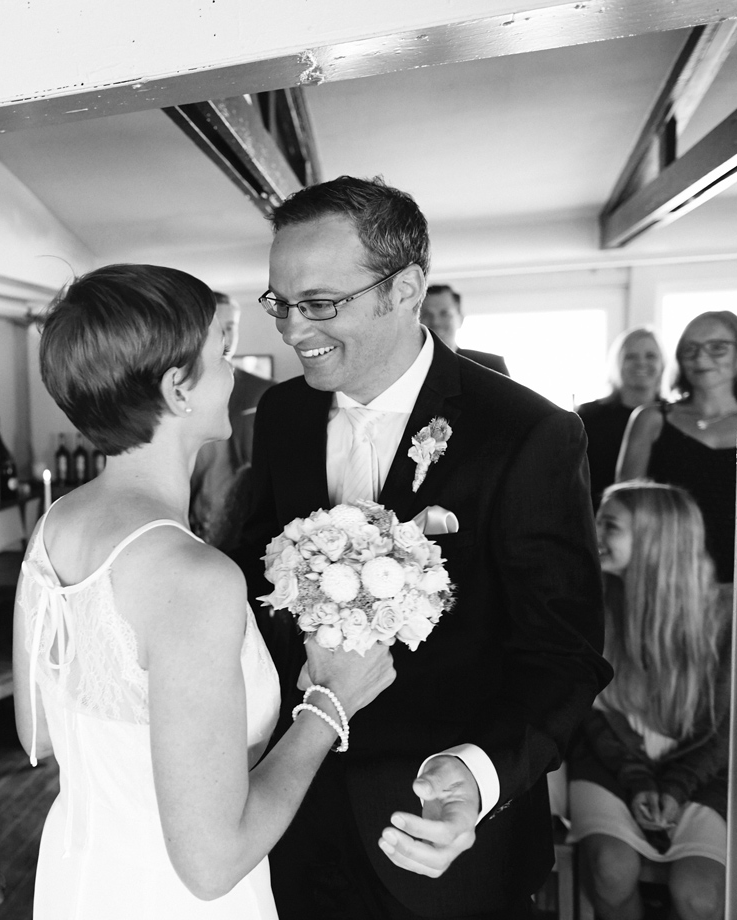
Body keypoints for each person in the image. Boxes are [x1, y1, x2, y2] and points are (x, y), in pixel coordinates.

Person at [237, 176, 611, 919]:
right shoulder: (279, 414)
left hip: (445, 842)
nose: (289, 328)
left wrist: (477, 776)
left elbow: (564, 656)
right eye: (280, 301)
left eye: (318, 303)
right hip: (294, 814)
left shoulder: (528, 432)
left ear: (405, 289)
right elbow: (257, 585)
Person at [14, 264, 396, 919]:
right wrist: (330, 706)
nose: (235, 371)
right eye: (221, 352)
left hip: (80, 880)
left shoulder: (56, 525)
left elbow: (38, 734)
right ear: (177, 388)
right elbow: (211, 865)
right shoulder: (194, 578)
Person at [569, 481, 729, 920]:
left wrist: (674, 789)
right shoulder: (591, 604)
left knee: (699, 895)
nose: (594, 532)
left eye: (611, 526)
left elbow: (722, 732)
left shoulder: (724, 616)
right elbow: (593, 715)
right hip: (611, 762)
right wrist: (640, 782)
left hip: (700, 772)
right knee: (610, 869)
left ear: (655, 538)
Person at [616, 311, 737, 583]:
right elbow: (625, 508)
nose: (701, 357)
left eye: (717, 347)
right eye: (690, 349)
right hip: (666, 577)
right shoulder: (651, 418)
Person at [189, 290, 278, 553]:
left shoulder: (265, 393)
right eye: (218, 327)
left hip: (250, 530)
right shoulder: (180, 392)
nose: (226, 337)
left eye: (231, 327)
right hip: (189, 526)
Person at [576, 327, 665, 509]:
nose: (641, 363)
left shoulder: (674, 418)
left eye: (650, 356)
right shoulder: (588, 416)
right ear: (616, 363)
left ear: (663, 363)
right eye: (630, 356)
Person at [420, 284, 509, 375]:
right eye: (426, 314)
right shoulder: (408, 367)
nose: (436, 322)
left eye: (445, 314)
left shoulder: (491, 366)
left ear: (460, 319)